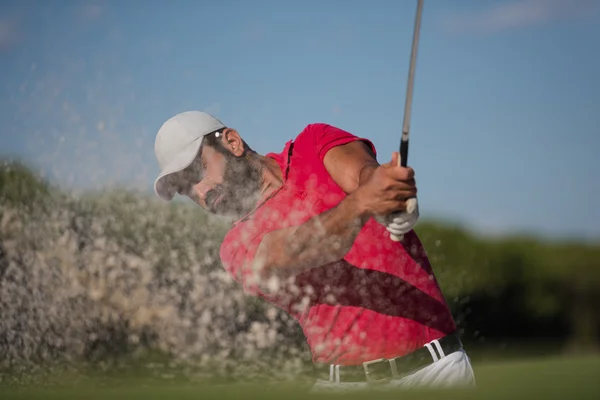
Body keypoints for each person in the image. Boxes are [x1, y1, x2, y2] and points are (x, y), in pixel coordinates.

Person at [152, 110, 476, 391]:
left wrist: (388, 188)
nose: (200, 192)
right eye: (184, 188)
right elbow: (295, 250)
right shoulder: (235, 247)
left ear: (232, 142)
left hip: (435, 372)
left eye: (198, 171)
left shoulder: (312, 143)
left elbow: (364, 175)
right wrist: (366, 202)